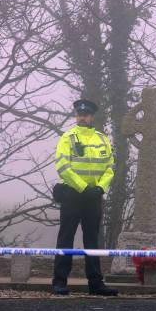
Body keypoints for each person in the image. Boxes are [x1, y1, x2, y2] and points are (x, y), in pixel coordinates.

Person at [51, 99, 118, 296]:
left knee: (92, 239)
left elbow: (109, 167)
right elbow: (63, 167)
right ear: (76, 116)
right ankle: (59, 282)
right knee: (65, 237)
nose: (82, 117)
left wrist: (99, 188)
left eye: (86, 114)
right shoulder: (67, 137)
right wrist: (82, 188)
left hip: (94, 196)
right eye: (79, 114)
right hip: (73, 194)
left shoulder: (102, 139)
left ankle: (96, 284)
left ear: (92, 116)